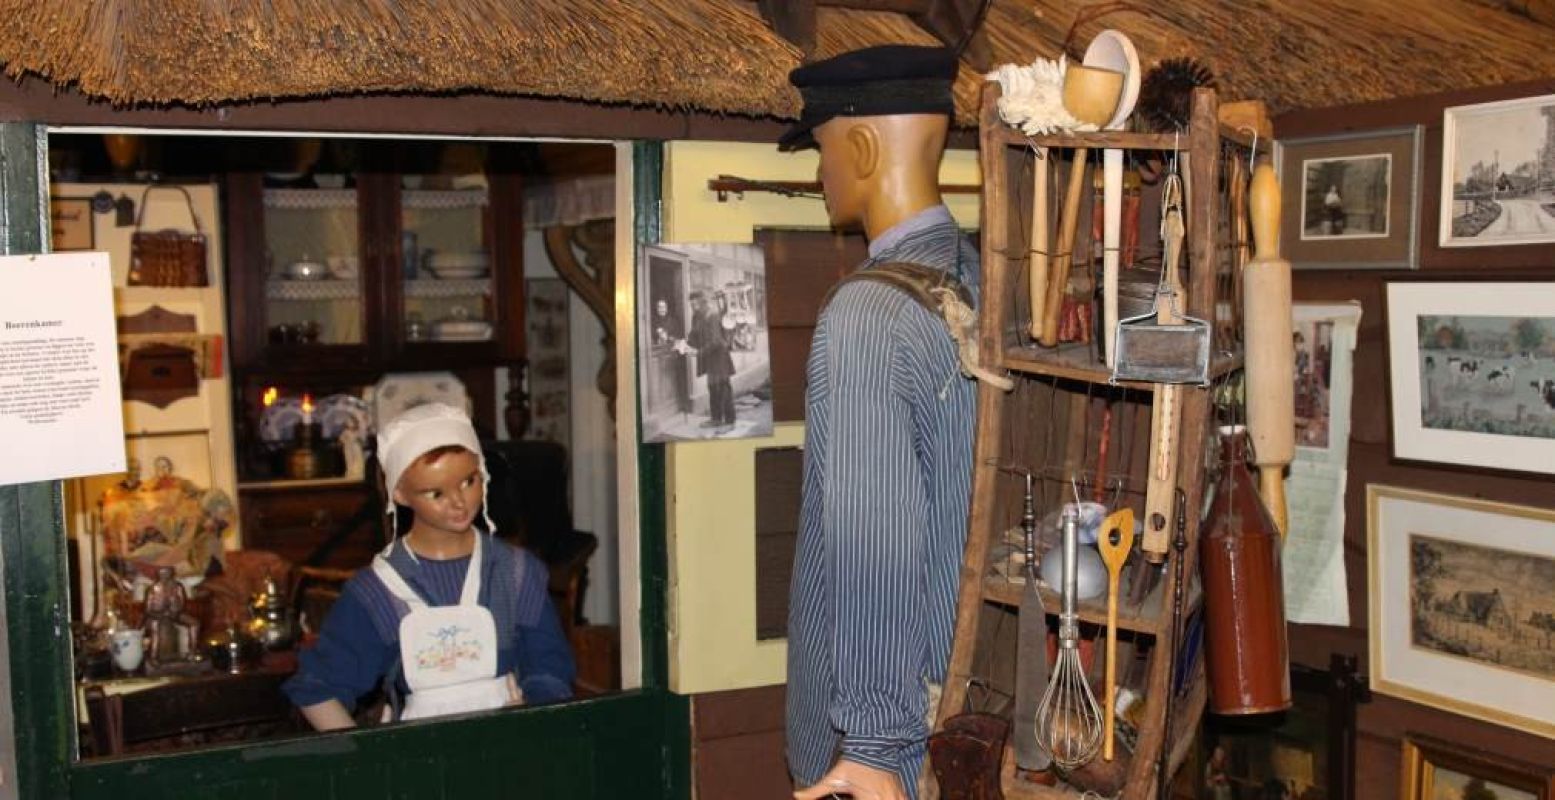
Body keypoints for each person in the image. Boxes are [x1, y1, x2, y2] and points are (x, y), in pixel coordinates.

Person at [780, 45, 978, 800]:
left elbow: (874, 545)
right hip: (979, 706)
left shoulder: (868, 314)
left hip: (892, 752)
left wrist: (872, 748)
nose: (820, 172)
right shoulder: (986, 278)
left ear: (859, 145)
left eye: (822, 149)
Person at [283, 402, 575, 729]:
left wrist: (534, 711)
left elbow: (550, 668)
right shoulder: (378, 591)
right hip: (420, 761)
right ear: (401, 495)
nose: (459, 503)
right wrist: (365, 763)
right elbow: (317, 686)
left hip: (510, 750)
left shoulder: (516, 573)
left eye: (469, 481)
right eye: (435, 493)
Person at [680, 290, 737, 431]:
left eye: (695, 303)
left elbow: (716, 341)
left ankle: (730, 422)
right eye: (691, 304)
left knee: (723, 388)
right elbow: (694, 335)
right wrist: (684, 344)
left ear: (702, 302)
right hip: (710, 359)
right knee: (713, 388)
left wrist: (698, 352)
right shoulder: (697, 317)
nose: (692, 306)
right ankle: (716, 419)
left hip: (720, 357)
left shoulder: (712, 315)